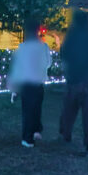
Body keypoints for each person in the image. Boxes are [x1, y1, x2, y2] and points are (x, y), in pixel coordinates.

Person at [59, 10, 88, 155]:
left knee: (69, 110)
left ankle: (66, 134)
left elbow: (63, 54)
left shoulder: (70, 37)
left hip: (73, 79)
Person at [8, 17, 52, 147]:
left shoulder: (22, 47)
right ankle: (36, 131)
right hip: (39, 83)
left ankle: (27, 138)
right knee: (36, 109)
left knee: (28, 111)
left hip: (26, 83)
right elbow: (48, 64)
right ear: (38, 30)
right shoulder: (44, 46)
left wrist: (13, 88)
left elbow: (16, 68)